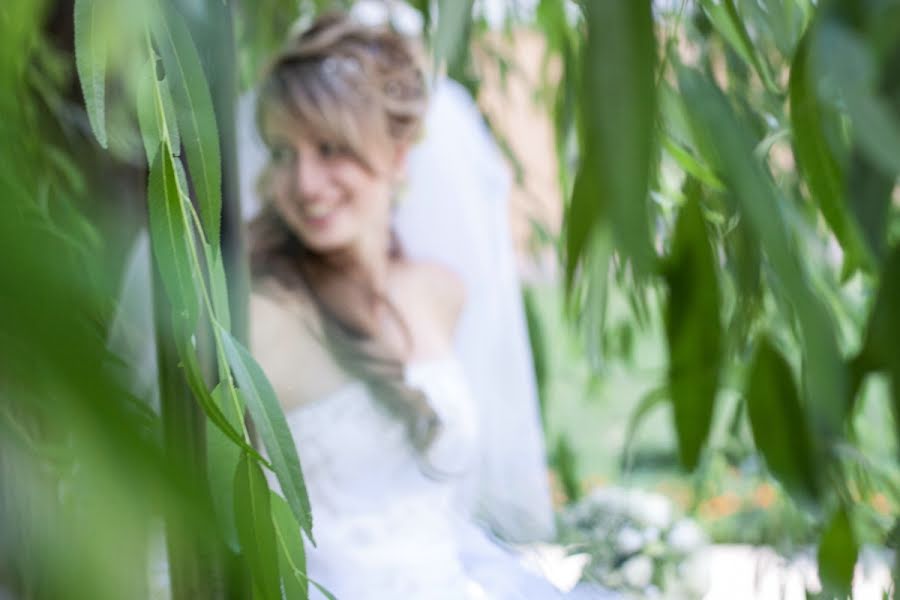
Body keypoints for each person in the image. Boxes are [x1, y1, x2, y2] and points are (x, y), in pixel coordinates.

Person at [247, 11, 613, 599]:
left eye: (330, 148)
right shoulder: (264, 318)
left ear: (399, 154)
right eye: (284, 153)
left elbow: (437, 507)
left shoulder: (439, 293)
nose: (305, 183)